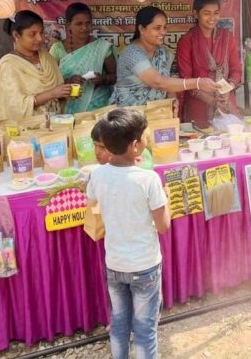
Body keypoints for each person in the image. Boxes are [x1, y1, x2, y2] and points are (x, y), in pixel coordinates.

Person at [87, 108, 170, 359]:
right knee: (145, 329)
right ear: (135, 146)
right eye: (145, 136)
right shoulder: (149, 179)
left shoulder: (97, 175)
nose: (147, 139)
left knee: (119, 323)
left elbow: (94, 204)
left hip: (115, 263)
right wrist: (165, 199)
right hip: (144, 265)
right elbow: (163, 225)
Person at [110, 6, 219, 107]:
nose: (163, 32)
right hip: (126, 119)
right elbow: (158, 82)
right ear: (142, 29)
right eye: (157, 28)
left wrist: (172, 101)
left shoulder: (165, 53)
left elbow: (168, 83)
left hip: (157, 115)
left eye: (165, 27)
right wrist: (197, 83)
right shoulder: (132, 53)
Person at [0, 10, 73, 125]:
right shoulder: (9, 65)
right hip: (28, 131)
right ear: (16, 35)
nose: (40, 38)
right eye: (32, 34)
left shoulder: (46, 57)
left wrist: (66, 93)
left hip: (55, 125)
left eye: (41, 33)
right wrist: (52, 93)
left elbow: (58, 93)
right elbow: (16, 106)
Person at [176, 0, 242, 128]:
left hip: (226, 102)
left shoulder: (227, 37)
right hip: (198, 108)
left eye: (216, 13)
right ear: (196, 14)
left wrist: (228, 89)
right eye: (206, 13)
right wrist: (212, 100)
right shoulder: (187, 40)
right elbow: (185, 79)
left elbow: (236, 70)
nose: (212, 18)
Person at [49, 2, 116, 114]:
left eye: (88, 23)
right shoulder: (57, 49)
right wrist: (69, 81)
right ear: (69, 25)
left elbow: (115, 76)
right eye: (79, 24)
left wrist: (102, 79)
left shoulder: (102, 47)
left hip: (98, 106)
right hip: (67, 107)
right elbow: (49, 82)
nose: (84, 28)